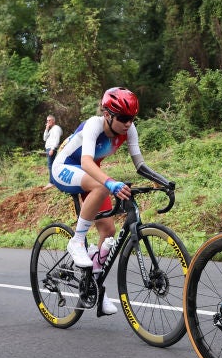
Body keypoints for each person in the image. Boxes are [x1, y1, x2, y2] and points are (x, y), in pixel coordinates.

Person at [49, 87, 170, 316]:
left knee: (109, 231)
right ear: (108, 114)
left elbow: (140, 165)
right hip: (65, 167)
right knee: (101, 186)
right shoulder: (95, 124)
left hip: (91, 173)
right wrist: (111, 183)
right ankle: (77, 241)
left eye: (132, 118)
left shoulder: (129, 130)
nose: (128, 123)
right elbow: (85, 162)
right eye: (123, 118)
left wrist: (164, 182)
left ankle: (94, 288)